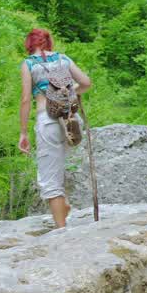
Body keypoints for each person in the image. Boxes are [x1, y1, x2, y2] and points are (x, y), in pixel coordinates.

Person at [18, 28, 92, 229]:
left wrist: (23, 133)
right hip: (71, 120)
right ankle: (63, 205)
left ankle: (61, 230)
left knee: (50, 177)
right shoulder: (63, 58)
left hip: (48, 121)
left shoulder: (28, 64)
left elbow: (25, 100)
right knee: (58, 167)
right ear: (48, 42)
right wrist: (68, 92)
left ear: (29, 44)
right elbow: (85, 83)